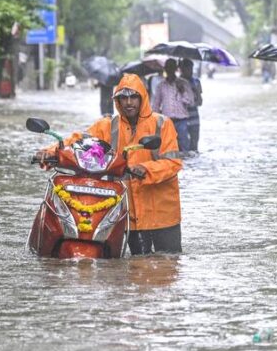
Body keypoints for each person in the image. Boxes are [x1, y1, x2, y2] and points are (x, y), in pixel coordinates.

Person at [35, 74, 184, 254]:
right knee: (136, 265)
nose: (129, 102)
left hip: (162, 214)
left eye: (133, 97)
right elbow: (78, 141)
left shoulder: (162, 124)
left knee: (168, 262)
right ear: (117, 101)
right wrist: (50, 152)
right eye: (123, 98)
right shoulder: (108, 126)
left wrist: (145, 169)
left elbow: (173, 163)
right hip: (128, 214)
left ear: (143, 98)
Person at [151, 58, 193, 151]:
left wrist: (182, 91)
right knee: (167, 146)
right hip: (167, 121)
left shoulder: (184, 83)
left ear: (175, 69)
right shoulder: (161, 86)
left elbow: (190, 102)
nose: (170, 70)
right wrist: (154, 121)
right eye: (168, 67)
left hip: (182, 120)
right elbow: (156, 105)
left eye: (172, 67)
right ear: (165, 69)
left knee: (184, 146)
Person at [179, 58, 203, 153]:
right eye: (187, 69)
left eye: (191, 69)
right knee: (182, 147)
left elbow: (200, 102)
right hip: (181, 118)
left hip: (194, 117)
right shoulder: (177, 82)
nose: (190, 71)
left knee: (194, 144)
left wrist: (196, 91)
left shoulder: (196, 82)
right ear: (181, 69)